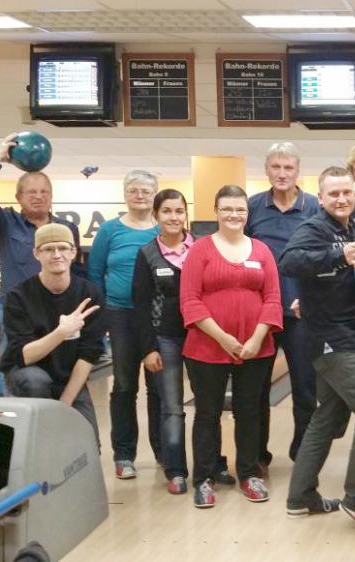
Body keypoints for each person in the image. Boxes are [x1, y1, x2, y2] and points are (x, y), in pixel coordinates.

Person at [280, 166, 355, 535]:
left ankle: (300, 496)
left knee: (326, 417)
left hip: (345, 335)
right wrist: (339, 253)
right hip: (333, 340)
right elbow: (290, 262)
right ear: (321, 196)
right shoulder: (315, 228)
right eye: (334, 194)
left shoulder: (350, 228)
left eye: (347, 193)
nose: (342, 199)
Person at [179, 184, 283, 508]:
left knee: (249, 412)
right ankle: (205, 478)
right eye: (227, 209)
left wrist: (255, 339)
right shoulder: (200, 250)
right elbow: (189, 301)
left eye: (240, 209)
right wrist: (223, 338)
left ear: (247, 213)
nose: (234, 215)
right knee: (207, 413)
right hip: (206, 347)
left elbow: (273, 299)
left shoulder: (261, 250)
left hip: (256, 349)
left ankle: (249, 473)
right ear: (216, 211)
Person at [245, 142, 320, 464]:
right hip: (261, 314)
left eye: (288, 168)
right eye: (276, 167)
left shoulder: (315, 207)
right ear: (266, 170)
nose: (282, 174)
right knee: (257, 389)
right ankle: (258, 455)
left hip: (301, 313)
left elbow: (324, 257)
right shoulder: (253, 207)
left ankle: (301, 453)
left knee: (305, 388)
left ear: (298, 172)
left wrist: (313, 296)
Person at [87, 170, 159, 480]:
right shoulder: (109, 230)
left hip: (157, 317)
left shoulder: (162, 230)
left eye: (145, 191)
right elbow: (94, 273)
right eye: (134, 190)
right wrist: (101, 314)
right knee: (125, 384)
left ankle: (164, 453)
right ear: (125, 194)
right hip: (120, 314)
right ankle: (124, 455)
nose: (140, 195)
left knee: (159, 388)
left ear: (154, 194)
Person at [0, 223, 103, 436]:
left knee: (87, 440)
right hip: (27, 375)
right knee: (36, 381)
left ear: (73, 252)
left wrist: (65, 405)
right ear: (36, 253)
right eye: (48, 249)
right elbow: (24, 355)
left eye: (63, 248)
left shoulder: (89, 293)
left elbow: (89, 353)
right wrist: (61, 332)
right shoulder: (18, 297)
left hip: (68, 375)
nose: (56, 254)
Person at [131, 189, 193, 495]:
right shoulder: (147, 253)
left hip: (201, 334)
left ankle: (211, 464)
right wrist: (149, 347)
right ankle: (176, 470)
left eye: (178, 211)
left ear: (186, 214)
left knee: (208, 406)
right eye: (167, 211)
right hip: (165, 336)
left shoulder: (202, 248)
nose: (173, 217)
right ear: (156, 215)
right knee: (172, 407)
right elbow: (140, 304)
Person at [0, 133, 80, 294]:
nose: (39, 196)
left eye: (44, 192)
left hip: (56, 311)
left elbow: (75, 270)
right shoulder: (5, 223)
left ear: (51, 196)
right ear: (18, 197)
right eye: (32, 192)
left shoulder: (67, 228)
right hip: (17, 313)